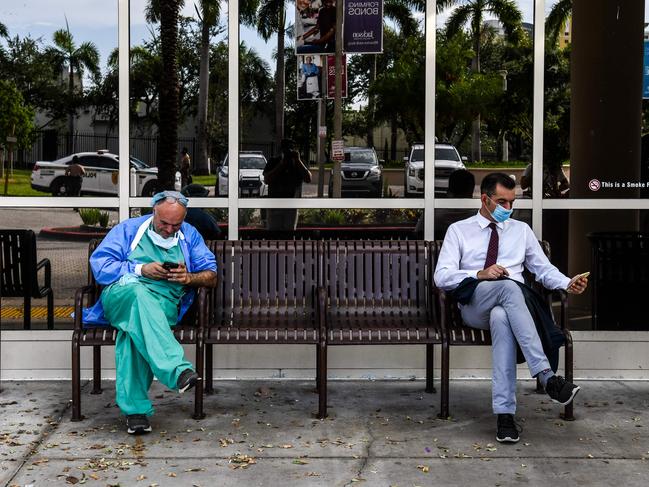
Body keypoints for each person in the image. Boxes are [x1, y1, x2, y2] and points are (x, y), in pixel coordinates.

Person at [434, 172, 588, 444]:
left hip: (510, 309)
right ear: (485, 199)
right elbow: (442, 276)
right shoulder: (459, 230)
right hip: (474, 304)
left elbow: (542, 270)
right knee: (508, 287)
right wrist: (480, 273)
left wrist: (567, 283)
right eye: (501, 202)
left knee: (502, 315)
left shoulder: (522, 231)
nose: (508, 209)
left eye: (512, 203)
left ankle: (505, 416)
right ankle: (546, 376)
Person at [83, 191, 218, 435]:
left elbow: (211, 275)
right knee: (137, 295)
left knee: (134, 331)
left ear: (184, 219)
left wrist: (189, 277)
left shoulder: (190, 236)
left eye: (175, 225)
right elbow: (101, 266)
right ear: (153, 212)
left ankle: (136, 413)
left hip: (163, 303)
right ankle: (176, 370)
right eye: (163, 223)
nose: (168, 229)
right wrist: (140, 269)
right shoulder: (129, 230)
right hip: (121, 295)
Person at [263, 139, 312, 231]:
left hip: (291, 205)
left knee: (289, 236)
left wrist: (298, 160)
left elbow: (308, 179)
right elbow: (266, 180)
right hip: (274, 204)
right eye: (286, 151)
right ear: (281, 151)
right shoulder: (274, 161)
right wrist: (281, 165)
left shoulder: (299, 163)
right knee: (273, 235)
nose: (288, 154)